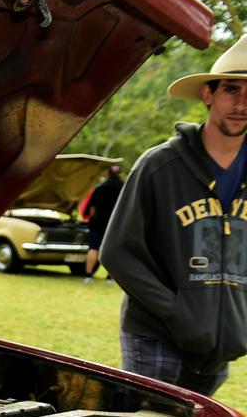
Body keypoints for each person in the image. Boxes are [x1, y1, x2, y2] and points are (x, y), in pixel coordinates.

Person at [101, 34, 247, 396]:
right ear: (208, 94)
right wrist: (176, 310)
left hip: (219, 347)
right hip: (155, 336)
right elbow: (117, 251)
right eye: (231, 90)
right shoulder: (160, 166)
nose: (241, 104)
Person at [83, 164, 124, 280]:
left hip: (97, 223)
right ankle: (110, 277)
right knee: (113, 250)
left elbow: (91, 207)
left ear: (108, 173)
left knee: (93, 248)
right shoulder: (124, 188)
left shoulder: (100, 187)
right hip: (116, 223)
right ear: (120, 174)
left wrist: (92, 220)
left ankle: (88, 275)